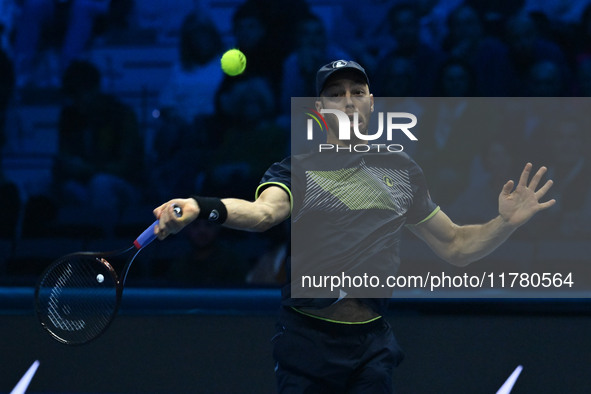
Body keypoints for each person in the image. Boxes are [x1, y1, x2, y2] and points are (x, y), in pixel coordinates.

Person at [151, 60, 556, 393]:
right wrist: (200, 206)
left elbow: (456, 246)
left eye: (357, 93)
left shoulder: (401, 171)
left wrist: (505, 223)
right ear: (319, 109)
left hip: (372, 345)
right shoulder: (298, 169)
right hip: (307, 343)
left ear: (371, 104)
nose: (348, 101)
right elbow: (262, 214)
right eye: (335, 94)